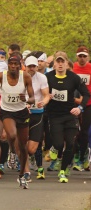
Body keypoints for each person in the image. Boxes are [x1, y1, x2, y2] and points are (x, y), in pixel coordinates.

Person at [0, 53, 35, 189]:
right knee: (12, 134)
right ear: (8, 65)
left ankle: (22, 175)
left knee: (23, 146)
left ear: (20, 65)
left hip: (22, 113)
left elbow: (33, 98)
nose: (13, 66)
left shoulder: (25, 77)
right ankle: (11, 149)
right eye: (11, 64)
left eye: (16, 64)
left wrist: (26, 99)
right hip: (7, 111)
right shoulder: (0, 76)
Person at [46, 51, 90, 183]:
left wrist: (80, 107)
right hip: (54, 116)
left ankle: (63, 171)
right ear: (54, 63)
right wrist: (46, 96)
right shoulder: (48, 77)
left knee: (70, 144)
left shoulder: (74, 78)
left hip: (70, 115)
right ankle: (54, 147)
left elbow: (86, 94)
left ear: (67, 63)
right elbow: (40, 91)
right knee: (59, 144)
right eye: (58, 62)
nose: (60, 64)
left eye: (62, 61)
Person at [22, 56, 50, 180]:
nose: (32, 69)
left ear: (37, 67)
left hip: (37, 113)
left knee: (32, 149)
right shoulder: (19, 77)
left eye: (34, 66)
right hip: (23, 113)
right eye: (29, 66)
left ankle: (28, 158)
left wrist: (43, 102)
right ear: (25, 66)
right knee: (22, 143)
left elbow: (46, 95)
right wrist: (24, 104)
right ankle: (25, 170)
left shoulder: (42, 78)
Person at [72, 46, 91, 171]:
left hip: (88, 104)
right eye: (80, 56)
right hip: (73, 103)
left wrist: (82, 101)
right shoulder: (73, 68)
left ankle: (81, 158)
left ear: (88, 57)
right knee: (73, 132)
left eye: (84, 56)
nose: (82, 58)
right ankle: (76, 153)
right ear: (77, 56)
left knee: (84, 131)